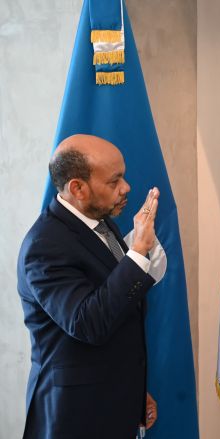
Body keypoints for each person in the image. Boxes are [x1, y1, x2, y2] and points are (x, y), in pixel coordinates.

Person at [17, 134, 160, 438]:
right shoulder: (44, 246)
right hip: (75, 418)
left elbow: (119, 309)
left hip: (114, 404)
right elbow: (88, 323)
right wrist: (137, 251)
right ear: (77, 188)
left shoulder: (101, 221)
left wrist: (133, 390)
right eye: (114, 181)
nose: (126, 188)